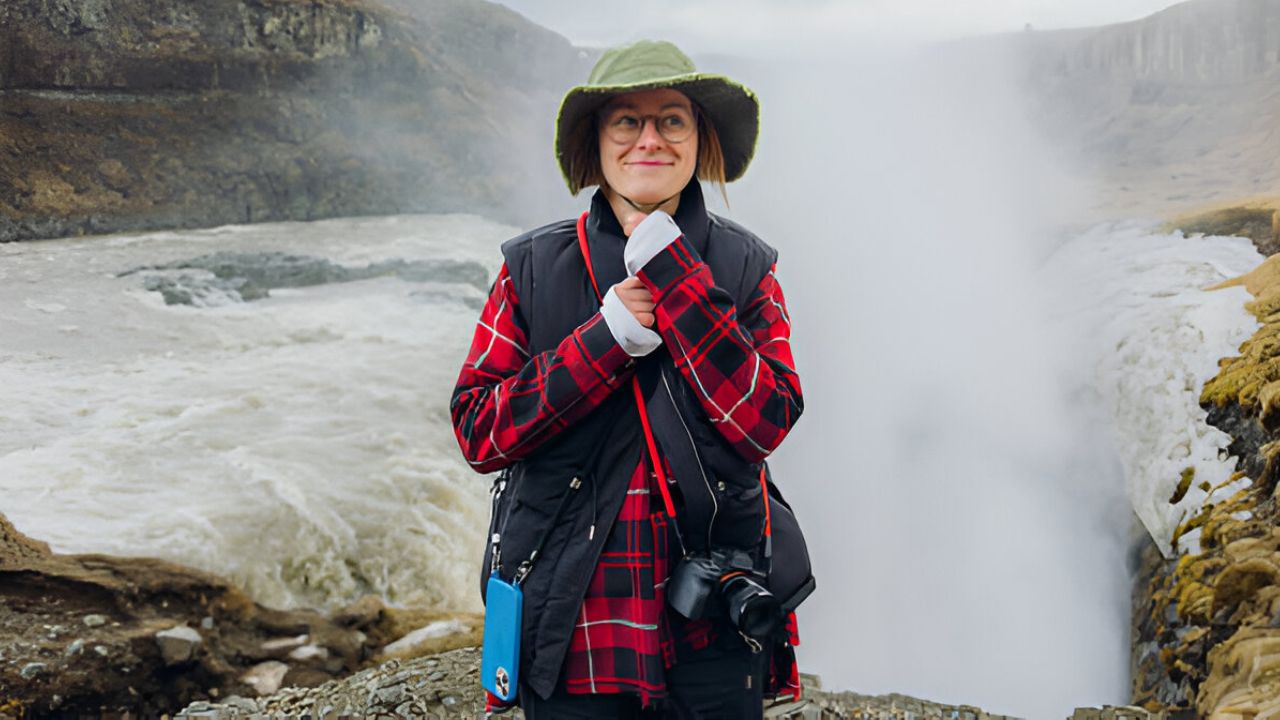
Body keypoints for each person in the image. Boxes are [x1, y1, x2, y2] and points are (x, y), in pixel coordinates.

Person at [451, 39, 805, 719]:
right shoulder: (530, 268)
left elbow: (766, 422)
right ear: (598, 141)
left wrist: (682, 288)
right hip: (572, 620)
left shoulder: (745, 267)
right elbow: (479, 431)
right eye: (627, 121)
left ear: (700, 141)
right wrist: (602, 341)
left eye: (673, 119)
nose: (650, 138)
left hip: (711, 617)